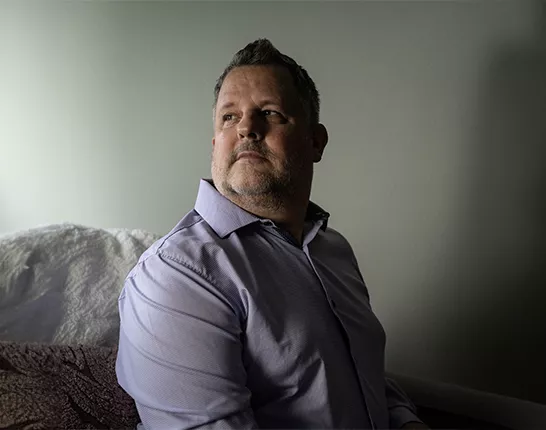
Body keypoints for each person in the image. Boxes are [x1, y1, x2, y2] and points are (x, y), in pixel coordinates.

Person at [116, 39, 428, 429]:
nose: (247, 127)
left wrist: (404, 421)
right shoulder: (177, 276)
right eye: (229, 117)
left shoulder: (334, 251)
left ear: (316, 141)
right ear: (215, 145)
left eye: (270, 112)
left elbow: (362, 378)